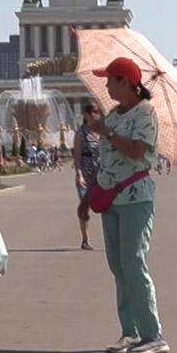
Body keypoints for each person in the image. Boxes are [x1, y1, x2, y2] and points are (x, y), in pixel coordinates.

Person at [88, 57, 169, 353]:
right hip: (111, 197)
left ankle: (153, 335)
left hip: (136, 197)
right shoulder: (113, 114)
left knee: (134, 261)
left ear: (126, 82)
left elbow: (137, 152)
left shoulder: (145, 113)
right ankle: (130, 332)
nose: (106, 84)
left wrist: (107, 133)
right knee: (118, 266)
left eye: (111, 79)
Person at [72, 101, 102, 250]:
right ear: (85, 114)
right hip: (85, 171)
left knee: (107, 205)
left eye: (96, 111)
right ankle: (85, 239)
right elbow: (77, 155)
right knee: (85, 206)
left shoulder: (102, 132)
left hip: (101, 172)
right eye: (90, 111)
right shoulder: (80, 133)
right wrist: (79, 174)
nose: (94, 114)